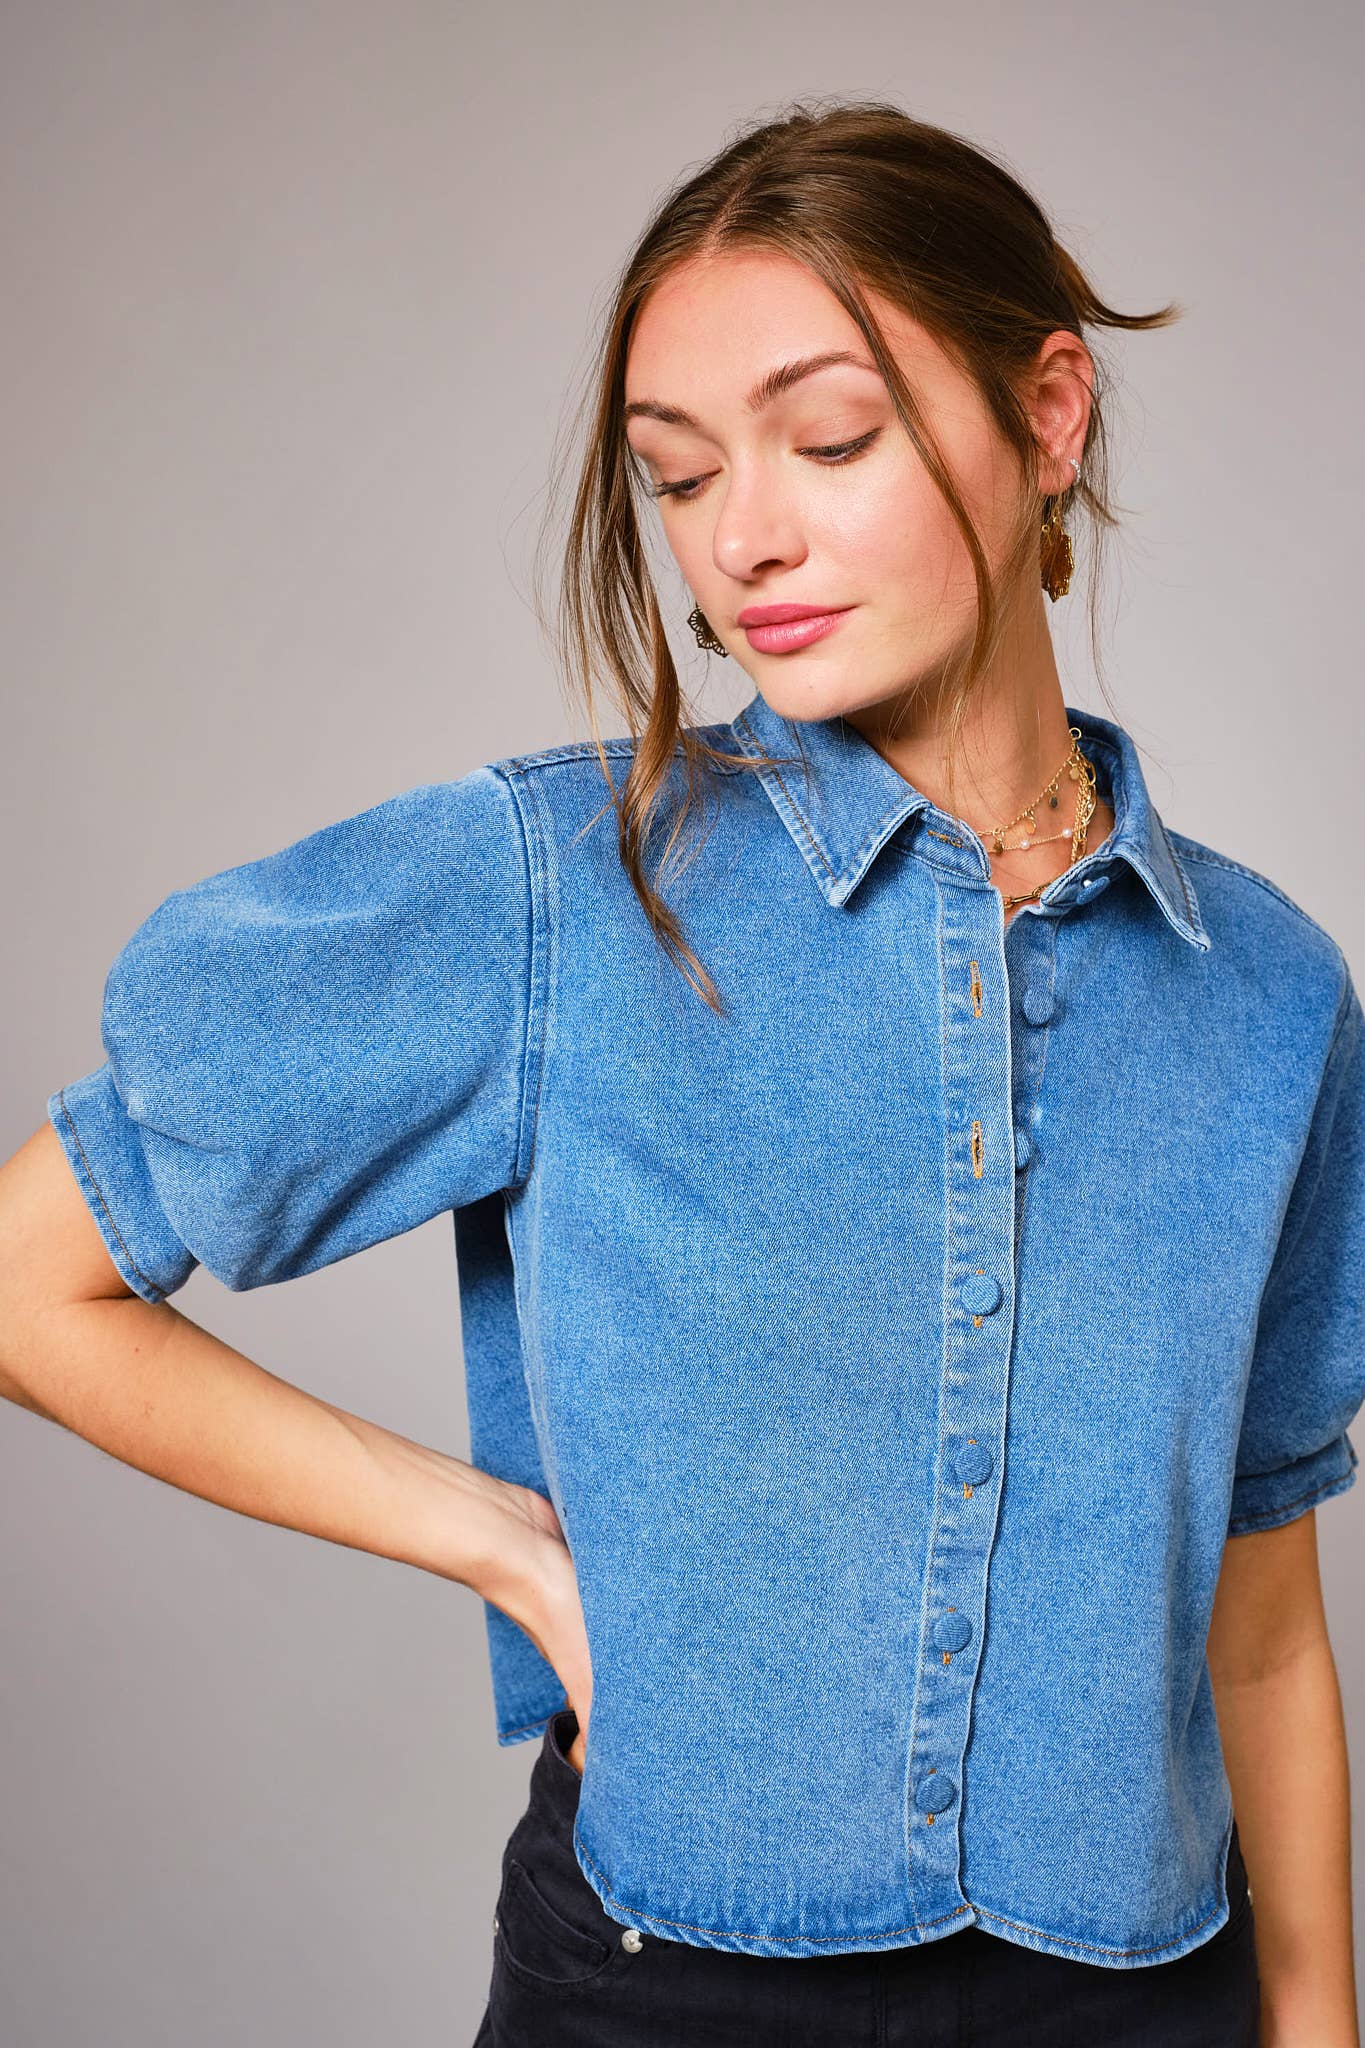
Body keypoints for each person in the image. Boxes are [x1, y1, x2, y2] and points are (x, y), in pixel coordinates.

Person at [2, 96, 1361, 2048]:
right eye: (675, 473)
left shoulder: (1268, 1001)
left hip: (1145, 1997)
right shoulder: (559, 895)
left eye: (828, 439)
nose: (742, 537)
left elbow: (1262, 1624)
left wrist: (1311, 2018)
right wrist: (492, 1535)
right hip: (660, 2000)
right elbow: (25, 1276)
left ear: (1046, 412)